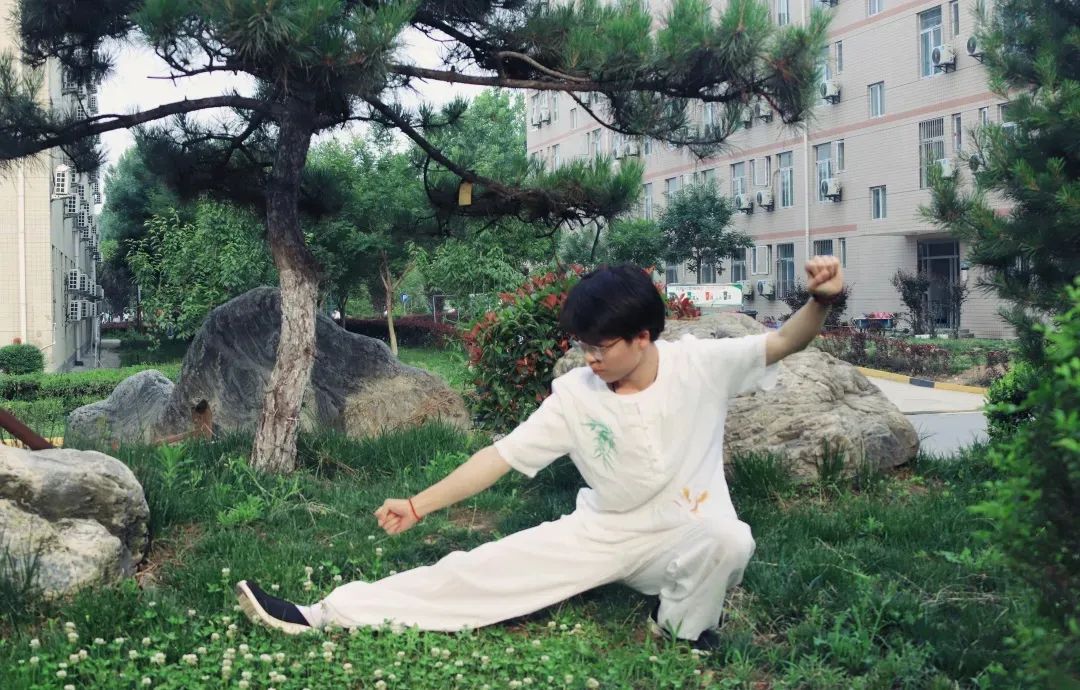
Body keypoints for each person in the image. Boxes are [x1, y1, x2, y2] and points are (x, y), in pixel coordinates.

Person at [236, 258, 845, 648]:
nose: (591, 359)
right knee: (477, 573)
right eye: (584, 346)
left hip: (687, 533)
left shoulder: (701, 365)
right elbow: (499, 457)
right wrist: (419, 505)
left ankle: (681, 629)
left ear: (643, 337)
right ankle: (324, 612)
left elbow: (784, 342)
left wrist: (820, 300)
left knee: (731, 537)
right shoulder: (576, 396)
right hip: (605, 532)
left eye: (602, 347)